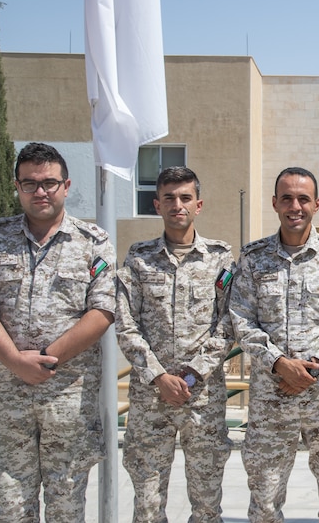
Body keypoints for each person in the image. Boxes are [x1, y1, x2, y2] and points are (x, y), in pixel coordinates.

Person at [0, 142, 116, 521]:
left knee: (66, 506)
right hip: (7, 398)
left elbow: (103, 310)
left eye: (49, 182)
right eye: (29, 183)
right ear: (17, 187)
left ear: (66, 186)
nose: (40, 191)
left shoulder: (92, 242)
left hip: (68, 399)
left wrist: (49, 359)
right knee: (12, 505)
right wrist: (15, 361)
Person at [229, 167, 319, 523]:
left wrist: (314, 366)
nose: (295, 206)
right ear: (274, 203)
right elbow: (241, 318)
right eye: (286, 198)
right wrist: (278, 363)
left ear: (317, 204)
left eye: (303, 198)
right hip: (272, 396)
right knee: (265, 501)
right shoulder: (254, 258)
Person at [115, 166, 234, 522]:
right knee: (148, 505)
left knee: (207, 502)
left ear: (199, 204)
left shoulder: (220, 258)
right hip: (151, 398)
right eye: (169, 198)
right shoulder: (138, 258)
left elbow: (229, 322)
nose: (177, 205)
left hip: (204, 398)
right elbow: (125, 322)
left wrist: (193, 375)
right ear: (157, 205)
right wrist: (158, 376)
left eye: (185, 198)